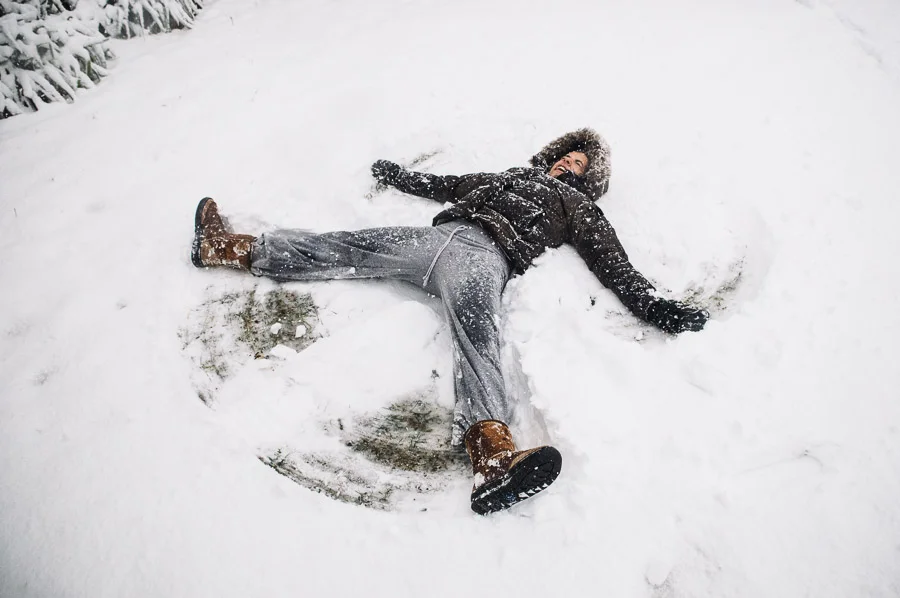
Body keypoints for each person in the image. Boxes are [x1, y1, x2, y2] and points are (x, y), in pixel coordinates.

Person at [190, 128, 708, 515]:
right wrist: (403, 178)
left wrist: (656, 306)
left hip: (486, 259)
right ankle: (225, 247)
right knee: (343, 246)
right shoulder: (511, 176)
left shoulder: (574, 206)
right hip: (435, 240)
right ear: (551, 157)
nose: (567, 165)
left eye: (578, 164)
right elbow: (450, 183)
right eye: (565, 157)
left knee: (478, 339)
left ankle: (492, 460)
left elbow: (612, 262)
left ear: (585, 178)